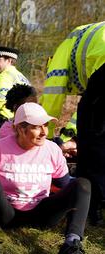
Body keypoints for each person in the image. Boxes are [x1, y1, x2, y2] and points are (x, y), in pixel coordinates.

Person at [0, 103, 91, 254]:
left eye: (45, 125)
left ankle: (71, 247)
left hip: (42, 213)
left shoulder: (52, 149)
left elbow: (64, 184)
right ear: (20, 129)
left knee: (83, 184)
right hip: (8, 213)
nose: (44, 132)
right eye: (36, 127)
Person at [41, 22, 105, 226]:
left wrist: (46, 138)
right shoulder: (88, 36)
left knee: (93, 148)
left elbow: (52, 99)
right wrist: (72, 138)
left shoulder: (60, 57)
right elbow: (87, 114)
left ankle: (90, 208)